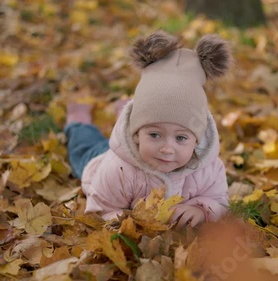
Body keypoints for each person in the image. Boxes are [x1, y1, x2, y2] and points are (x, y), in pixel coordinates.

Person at [65, 30, 232, 228]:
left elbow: (220, 200)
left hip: (140, 138)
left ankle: (126, 110)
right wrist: (122, 222)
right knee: (83, 145)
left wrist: (202, 211)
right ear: (135, 134)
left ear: (197, 139)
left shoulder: (208, 169)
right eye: (155, 135)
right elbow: (102, 208)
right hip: (108, 156)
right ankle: (77, 119)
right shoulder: (116, 169)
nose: (167, 148)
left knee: (155, 121)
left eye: (181, 138)